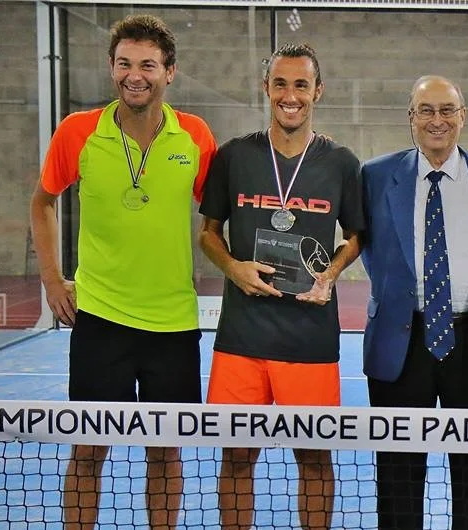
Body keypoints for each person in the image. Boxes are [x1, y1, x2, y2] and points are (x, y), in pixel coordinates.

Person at [29, 14, 216, 530]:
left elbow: (219, 221)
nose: (136, 75)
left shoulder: (195, 136)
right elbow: (43, 202)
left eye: (149, 65)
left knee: (164, 452)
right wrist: (52, 279)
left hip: (173, 324)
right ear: (113, 68)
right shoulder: (78, 132)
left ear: (170, 72)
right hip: (100, 320)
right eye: (125, 63)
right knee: (89, 450)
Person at [198, 43, 363, 530]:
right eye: (280, 84)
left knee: (313, 460)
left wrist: (329, 275)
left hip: (309, 339)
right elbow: (208, 234)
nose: (290, 96)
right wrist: (233, 268)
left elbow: (355, 238)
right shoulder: (233, 156)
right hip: (241, 338)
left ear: (318, 91)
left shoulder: (341, 162)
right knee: (236, 459)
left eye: (301, 85)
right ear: (265, 88)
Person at [360, 75, 468, 530]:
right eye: (426, 110)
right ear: (410, 118)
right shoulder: (373, 176)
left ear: (463, 117)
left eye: (447, 110)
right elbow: (357, 244)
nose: (437, 120)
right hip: (399, 340)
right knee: (397, 477)